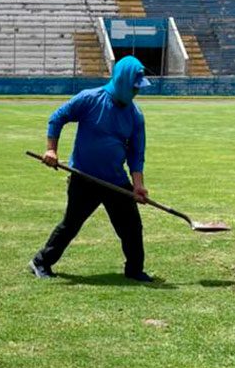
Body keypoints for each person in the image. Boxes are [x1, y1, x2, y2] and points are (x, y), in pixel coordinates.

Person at [29, 55, 154, 282]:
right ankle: (40, 262)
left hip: (115, 181)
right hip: (84, 178)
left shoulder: (136, 116)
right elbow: (57, 118)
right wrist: (51, 150)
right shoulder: (90, 99)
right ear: (123, 81)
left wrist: (138, 185)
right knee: (71, 225)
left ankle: (134, 270)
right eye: (134, 88)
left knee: (132, 228)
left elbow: (137, 154)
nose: (137, 92)